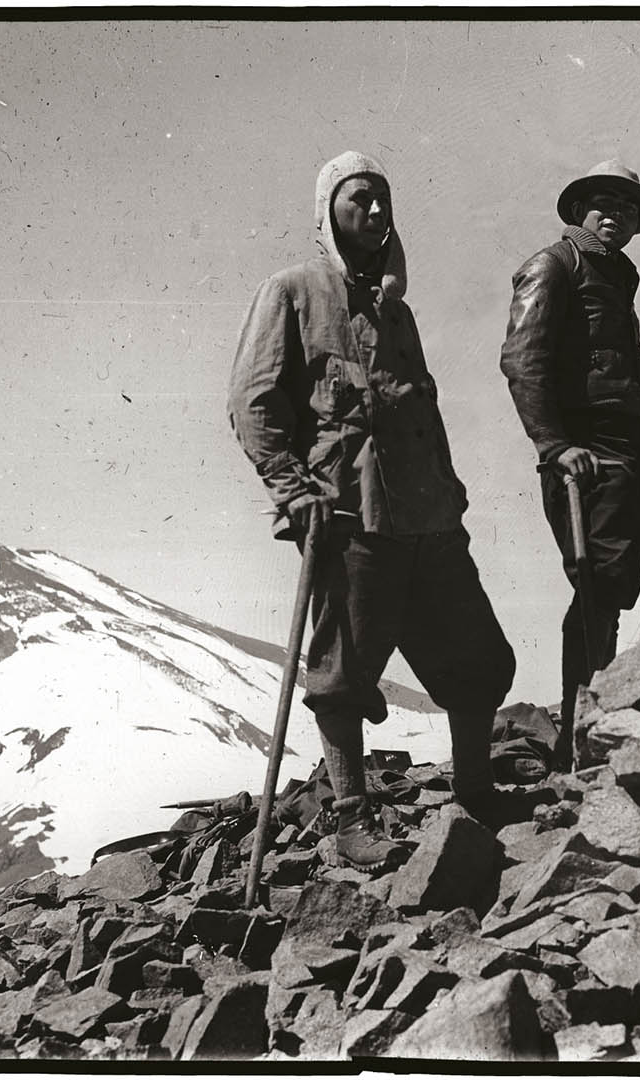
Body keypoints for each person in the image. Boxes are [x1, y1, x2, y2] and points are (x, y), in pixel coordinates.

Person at [228, 151, 516, 868]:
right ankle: (352, 813)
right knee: (344, 670)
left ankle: (476, 792)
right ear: (330, 210)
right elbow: (253, 399)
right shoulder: (292, 290)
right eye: (362, 199)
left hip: (429, 518)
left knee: (478, 657)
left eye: (386, 199)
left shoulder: (397, 309)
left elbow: (420, 407)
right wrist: (293, 488)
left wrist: (448, 492)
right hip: (349, 513)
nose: (379, 212)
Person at [500, 160, 640, 769]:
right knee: (594, 586)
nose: (614, 218)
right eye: (604, 205)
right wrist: (553, 446)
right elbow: (522, 359)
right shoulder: (554, 265)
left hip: (624, 455)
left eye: (626, 211)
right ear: (579, 210)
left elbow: (621, 365)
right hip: (584, 457)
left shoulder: (619, 275)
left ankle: (594, 721)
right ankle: (582, 737)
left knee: (614, 588)